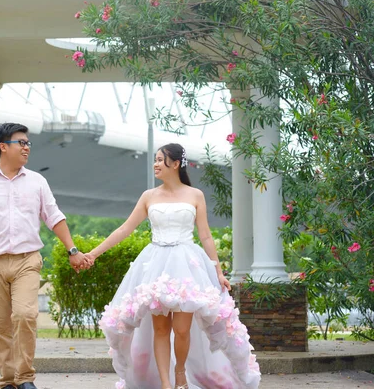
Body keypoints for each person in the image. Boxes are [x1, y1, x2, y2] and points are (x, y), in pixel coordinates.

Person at [84, 143, 261, 389]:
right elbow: (125, 228)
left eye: (160, 160)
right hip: (155, 265)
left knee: (181, 330)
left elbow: (206, 236)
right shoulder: (149, 196)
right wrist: (93, 254)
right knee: (160, 329)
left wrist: (218, 271)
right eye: (155, 160)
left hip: (186, 267)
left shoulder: (195, 195)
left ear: (175, 164)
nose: (155, 164)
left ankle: (180, 372)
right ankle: (166, 384)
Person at [0, 123, 91, 389]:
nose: (27, 147)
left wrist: (72, 250)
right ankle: (8, 381)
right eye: (21, 143)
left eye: (28, 143)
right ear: (3, 147)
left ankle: (25, 378)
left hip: (27, 260)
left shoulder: (37, 182)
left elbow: (54, 217)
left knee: (25, 315)